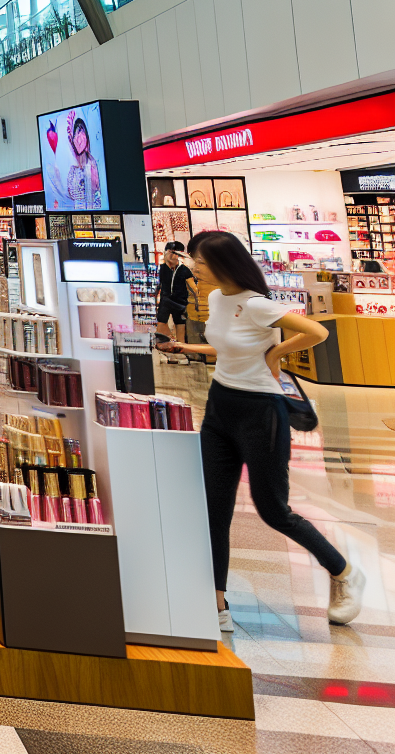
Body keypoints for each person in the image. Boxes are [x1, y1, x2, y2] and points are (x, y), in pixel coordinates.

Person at [160, 231, 365, 628]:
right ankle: (216, 605)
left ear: (222, 264)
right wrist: (188, 349)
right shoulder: (217, 299)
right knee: (212, 509)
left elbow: (317, 332)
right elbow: (228, 346)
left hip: (260, 412)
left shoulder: (256, 305)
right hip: (220, 407)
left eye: (199, 263)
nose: (193, 268)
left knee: (274, 510)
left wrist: (276, 352)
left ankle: (343, 572)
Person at [154, 241, 194, 360]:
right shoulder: (161, 269)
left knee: (180, 327)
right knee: (161, 324)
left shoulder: (184, 270)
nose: (173, 256)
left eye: (176, 253)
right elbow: (158, 285)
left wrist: (195, 302)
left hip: (180, 303)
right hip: (165, 302)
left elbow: (194, 288)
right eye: (170, 252)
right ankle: (166, 346)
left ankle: (180, 350)